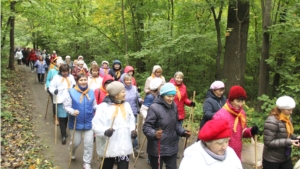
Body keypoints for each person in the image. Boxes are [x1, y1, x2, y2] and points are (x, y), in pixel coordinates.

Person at [143, 82, 191, 169]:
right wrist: (154, 133)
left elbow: (175, 124)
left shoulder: (174, 106)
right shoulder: (154, 108)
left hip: (171, 146)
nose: (171, 98)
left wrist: (183, 132)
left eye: (173, 96)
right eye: (169, 96)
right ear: (163, 95)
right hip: (157, 146)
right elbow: (146, 127)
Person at [92, 81, 136, 169]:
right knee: (106, 166)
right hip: (109, 146)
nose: (125, 93)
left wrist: (132, 130)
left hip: (124, 145)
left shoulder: (126, 105)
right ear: (116, 94)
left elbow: (131, 120)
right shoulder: (103, 107)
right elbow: (95, 126)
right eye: (123, 92)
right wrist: (105, 131)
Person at [212, 85, 259, 159]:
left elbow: (242, 132)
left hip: (237, 153)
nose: (240, 104)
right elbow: (214, 138)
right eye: (238, 101)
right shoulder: (220, 115)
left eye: (242, 101)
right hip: (223, 153)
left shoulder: (241, 113)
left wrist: (251, 131)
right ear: (231, 100)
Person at [63, 73, 95, 169]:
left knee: (89, 143)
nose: (84, 82)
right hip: (76, 121)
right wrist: (72, 111)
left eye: (85, 79)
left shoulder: (91, 92)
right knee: (76, 142)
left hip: (89, 122)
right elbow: (66, 106)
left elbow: (94, 105)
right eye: (81, 80)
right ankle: (72, 151)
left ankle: (87, 163)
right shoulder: (71, 92)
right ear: (77, 81)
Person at [263, 96, 300, 169]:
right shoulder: (272, 121)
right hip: (272, 159)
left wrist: (296, 138)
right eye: (288, 110)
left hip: (285, 157)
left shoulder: (288, 118)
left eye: (292, 110)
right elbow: (268, 142)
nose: (291, 112)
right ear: (281, 109)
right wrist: (289, 142)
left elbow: (287, 134)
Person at [49, 64, 75, 144]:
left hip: (69, 99)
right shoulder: (56, 77)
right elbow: (51, 86)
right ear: (60, 71)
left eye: (66, 71)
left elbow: (74, 84)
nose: (65, 73)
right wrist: (54, 91)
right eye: (63, 72)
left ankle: (64, 131)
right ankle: (63, 134)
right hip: (60, 99)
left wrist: (74, 86)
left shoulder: (71, 77)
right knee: (61, 117)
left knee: (67, 116)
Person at [120, 73, 143, 153]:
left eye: (130, 80)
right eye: (126, 80)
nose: (128, 81)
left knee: (134, 130)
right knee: (125, 129)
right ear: (123, 80)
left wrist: (140, 100)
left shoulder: (134, 88)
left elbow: (138, 97)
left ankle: (135, 147)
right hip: (124, 112)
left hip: (134, 112)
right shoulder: (121, 88)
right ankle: (125, 146)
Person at [46, 58, 65, 125]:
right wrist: (48, 87)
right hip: (53, 89)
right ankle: (56, 118)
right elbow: (48, 79)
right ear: (57, 64)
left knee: (63, 102)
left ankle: (63, 116)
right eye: (59, 63)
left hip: (62, 89)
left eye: (62, 63)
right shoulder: (52, 71)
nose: (60, 65)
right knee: (55, 103)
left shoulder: (65, 71)